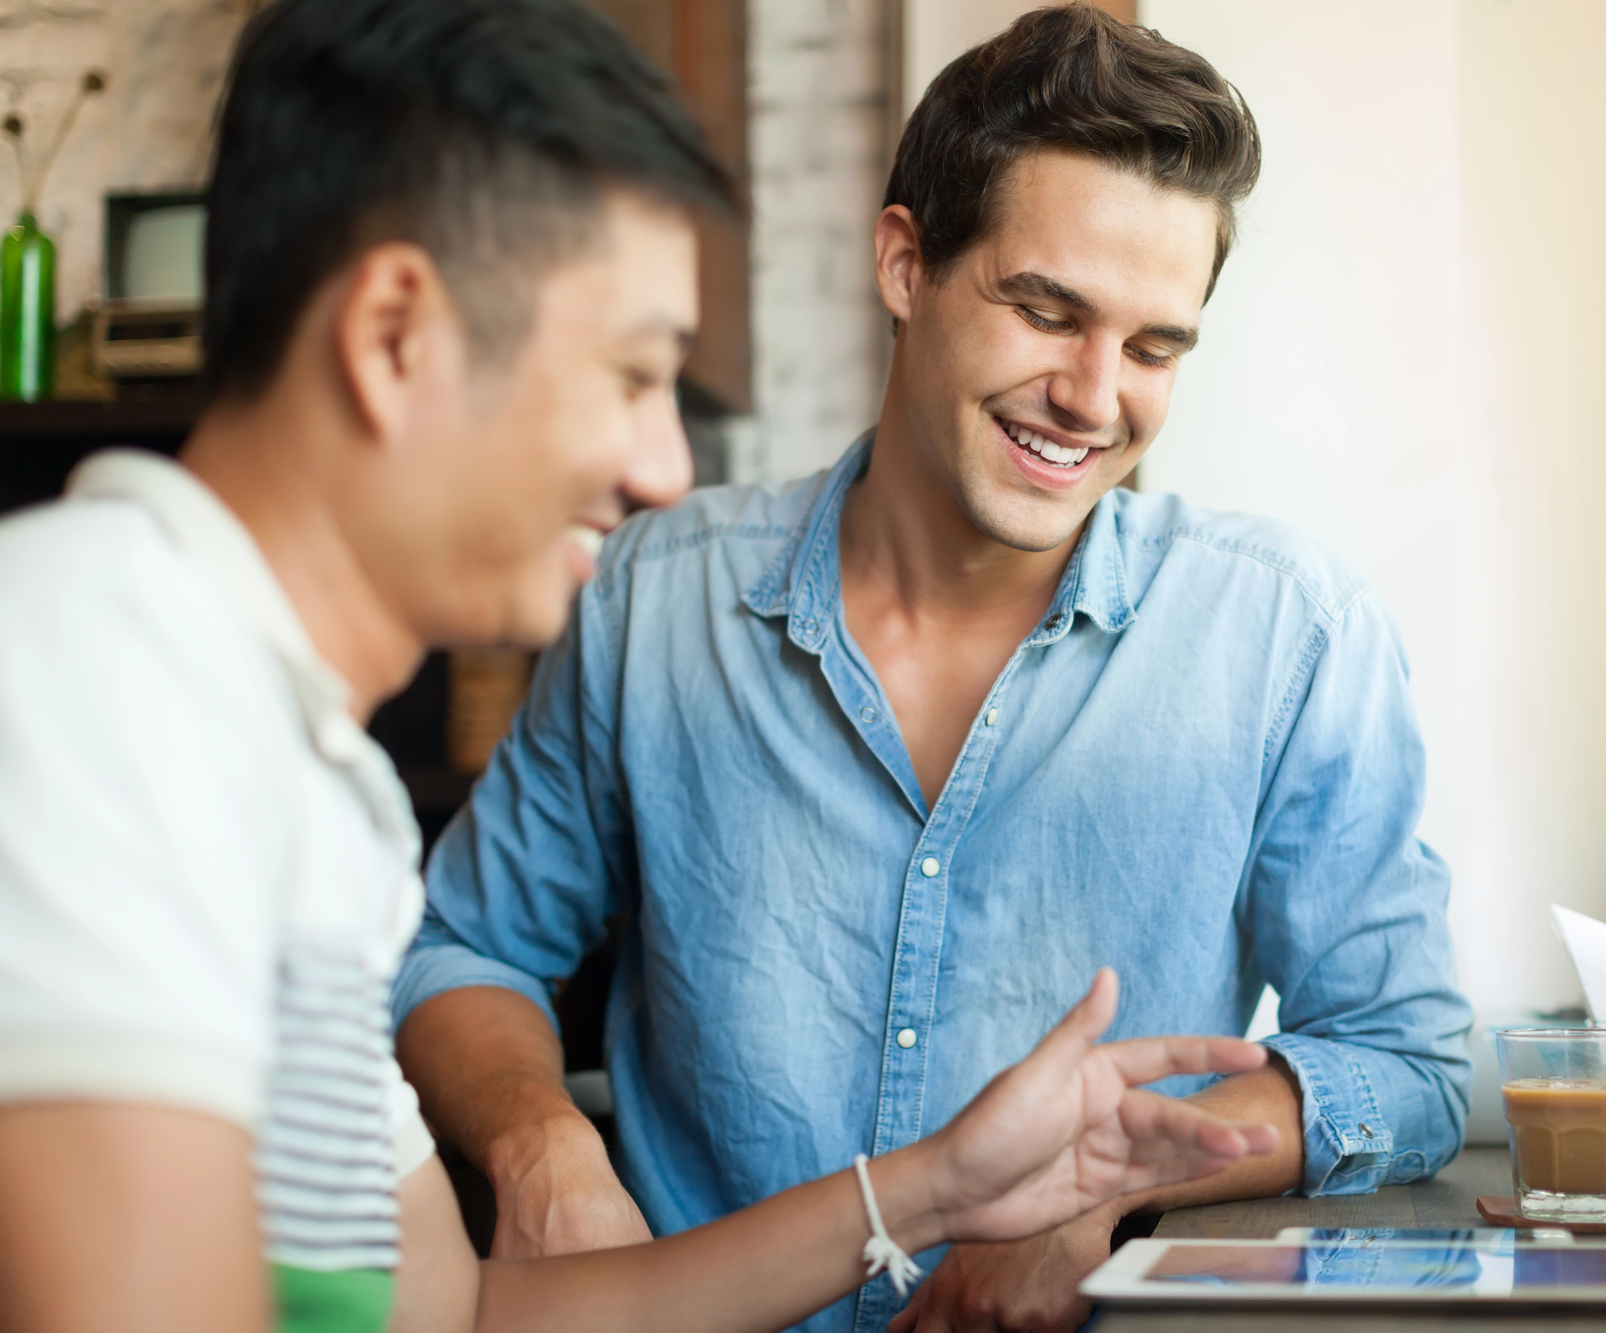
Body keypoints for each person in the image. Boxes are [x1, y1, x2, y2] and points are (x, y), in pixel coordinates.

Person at [0, 2, 1284, 1331]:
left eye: (1149, 346)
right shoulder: (94, 668)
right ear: (396, 335)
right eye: (631, 373)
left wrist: (942, 1183)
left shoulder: (313, 785)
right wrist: (542, 1141)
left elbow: (459, 1315)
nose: (665, 468)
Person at [393, 7, 1475, 1333]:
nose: (1092, 396)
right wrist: (542, 1149)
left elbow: (1401, 1060)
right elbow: (465, 949)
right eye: (1045, 310)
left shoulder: (1289, 636)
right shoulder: (653, 602)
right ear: (905, 264)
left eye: (1152, 347)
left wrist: (1107, 1203)